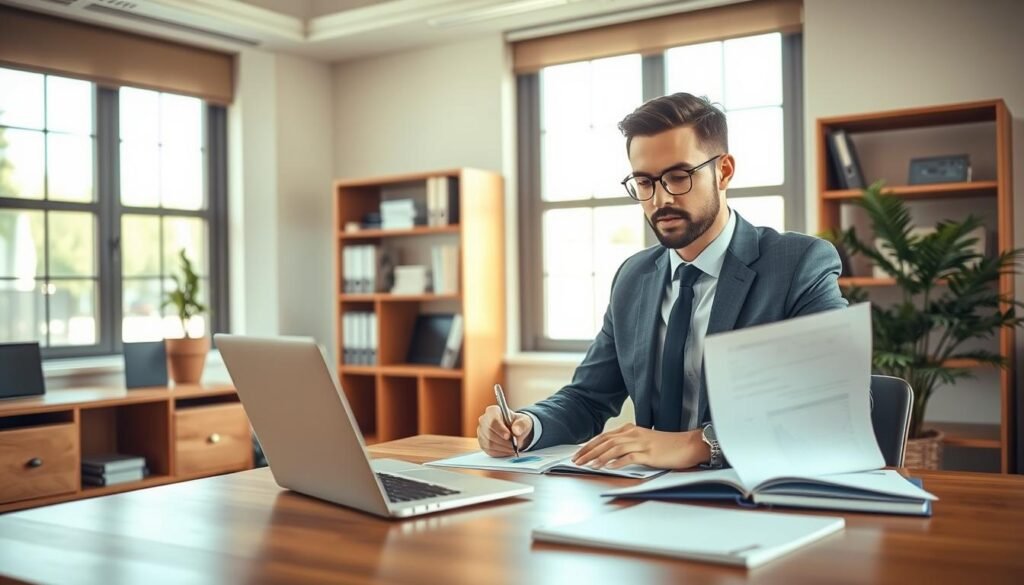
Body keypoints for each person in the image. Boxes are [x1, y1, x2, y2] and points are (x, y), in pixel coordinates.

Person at [478, 92, 847, 470]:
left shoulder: (798, 265)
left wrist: (701, 445)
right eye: (644, 182)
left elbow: (832, 406)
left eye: (678, 177)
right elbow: (588, 398)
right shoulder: (633, 278)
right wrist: (527, 425)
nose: (659, 199)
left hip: (758, 492)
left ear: (724, 171)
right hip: (650, 492)